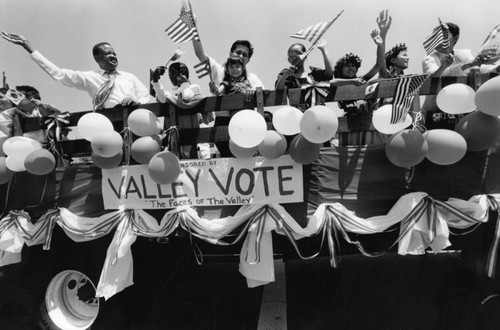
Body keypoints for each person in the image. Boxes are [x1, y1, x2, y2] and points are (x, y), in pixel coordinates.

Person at [4, 34, 152, 110]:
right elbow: (58, 74)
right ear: (97, 58)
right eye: (108, 53)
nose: (113, 56)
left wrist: (136, 102)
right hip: (110, 124)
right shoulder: (90, 78)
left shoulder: (129, 77)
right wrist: (29, 48)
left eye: (114, 53)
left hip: (136, 120)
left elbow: (145, 96)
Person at [421, 22, 474, 129]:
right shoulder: (430, 58)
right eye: (436, 35)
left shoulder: (463, 56)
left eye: (444, 35)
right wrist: (443, 66)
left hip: (461, 111)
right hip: (436, 112)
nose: (439, 38)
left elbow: (478, 69)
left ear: (455, 38)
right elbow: (432, 75)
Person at [151, 62, 204, 158]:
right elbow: (162, 98)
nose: (171, 76)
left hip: (191, 130)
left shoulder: (194, 87)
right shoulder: (171, 92)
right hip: (175, 132)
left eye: (183, 72)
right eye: (171, 73)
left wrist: (184, 83)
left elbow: (188, 98)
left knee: (191, 156)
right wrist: (155, 80)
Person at [275, 38, 333, 108]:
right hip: (297, 114)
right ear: (288, 60)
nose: (294, 57)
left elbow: (330, 72)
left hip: (316, 112)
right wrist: (285, 76)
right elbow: (278, 90)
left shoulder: (314, 74)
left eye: (298, 53)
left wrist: (323, 49)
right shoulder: (286, 75)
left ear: (305, 56)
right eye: (291, 56)